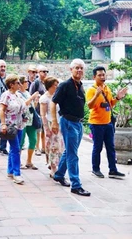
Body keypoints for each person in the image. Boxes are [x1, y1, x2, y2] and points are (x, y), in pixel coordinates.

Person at [50, 59, 90, 196]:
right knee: (73, 154)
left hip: (78, 123)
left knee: (70, 151)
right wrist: (54, 122)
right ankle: (76, 185)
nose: (79, 70)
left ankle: (59, 174)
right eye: (76, 68)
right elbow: (53, 103)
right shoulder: (65, 85)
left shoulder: (80, 85)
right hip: (68, 122)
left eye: (81, 68)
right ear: (71, 69)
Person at [86, 66, 128, 179]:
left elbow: (110, 104)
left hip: (108, 122)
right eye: (99, 75)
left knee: (111, 147)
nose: (102, 77)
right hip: (96, 123)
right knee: (97, 147)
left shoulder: (107, 88)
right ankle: (96, 169)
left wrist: (118, 98)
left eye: (103, 75)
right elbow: (89, 106)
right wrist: (96, 95)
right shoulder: (91, 90)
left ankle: (113, 170)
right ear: (94, 77)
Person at [0, 74, 27, 184]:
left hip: (20, 124)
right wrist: (3, 124)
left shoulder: (18, 95)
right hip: (11, 125)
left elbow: (24, 105)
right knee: (16, 148)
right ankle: (17, 173)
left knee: (15, 148)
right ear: (11, 85)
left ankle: (10, 170)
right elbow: (2, 110)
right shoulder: (6, 95)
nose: (19, 85)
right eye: (17, 83)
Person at [40, 76, 64, 178]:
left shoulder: (57, 95)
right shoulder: (45, 98)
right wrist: (46, 129)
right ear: (49, 86)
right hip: (50, 123)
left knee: (60, 146)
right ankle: (53, 168)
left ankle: (58, 165)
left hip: (59, 122)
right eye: (55, 85)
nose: (57, 87)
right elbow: (43, 114)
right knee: (53, 147)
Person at [17, 75, 40, 170]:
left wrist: (35, 101)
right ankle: (18, 161)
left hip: (31, 119)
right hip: (22, 120)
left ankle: (29, 161)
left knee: (33, 140)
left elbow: (31, 106)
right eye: (26, 81)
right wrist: (32, 97)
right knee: (20, 142)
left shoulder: (26, 92)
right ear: (21, 84)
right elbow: (24, 104)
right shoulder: (17, 94)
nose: (27, 83)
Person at [29, 65, 48, 157]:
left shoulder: (46, 82)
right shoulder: (36, 83)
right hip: (37, 108)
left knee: (44, 129)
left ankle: (44, 147)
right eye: (43, 71)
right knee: (38, 129)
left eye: (46, 71)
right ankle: (37, 148)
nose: (45, 73)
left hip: (45, 109)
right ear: (39, 72)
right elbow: (31, 95)